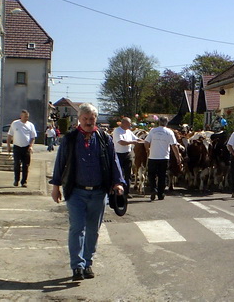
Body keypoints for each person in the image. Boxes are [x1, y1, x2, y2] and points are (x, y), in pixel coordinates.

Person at [50, 103, 125, 281]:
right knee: (77, 228)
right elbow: (60, 162)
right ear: (79, 119)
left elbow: (113, 160)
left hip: (99, 193)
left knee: (93, 230)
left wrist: (118, 182)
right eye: (85, 119)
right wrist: (55, 186)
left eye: (92, 119)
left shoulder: (104, 139)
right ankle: (77, 266)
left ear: (96, 119)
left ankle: (88, 263)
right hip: (76, 192)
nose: (89, 122)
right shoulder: (70, 139)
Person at [144, 116, 181, 201]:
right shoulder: (169, 132)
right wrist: (178, 157)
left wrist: (148, 150)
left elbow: (146, 142)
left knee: (151, 174)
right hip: (164, 157)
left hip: (153, 156)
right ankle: (161, 193)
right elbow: (174, 145)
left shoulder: (153, 131)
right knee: (162, 176)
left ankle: (153, 189)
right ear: (166, 123)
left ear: (159, 122)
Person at [112, 117, 144, 197]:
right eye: (128, 124)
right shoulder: (117, 131)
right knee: (119, 173)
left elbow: (136, 139)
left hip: (127, 154)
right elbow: (121, 142)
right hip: (118, 154)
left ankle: (126, 192)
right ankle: (117, 191)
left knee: (128, 174)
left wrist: (144, 141)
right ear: (123, 123)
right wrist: (133, 142)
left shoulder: (129, 131)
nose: (130, 125)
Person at [7, 110, 37, 187]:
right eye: (25, 116)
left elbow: (33, 137)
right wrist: (8, 145)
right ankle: (16, 180)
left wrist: (30, 146)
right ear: (21, 116)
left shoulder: (30, 125)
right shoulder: (15, 123)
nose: (26, 118)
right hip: (17, 147)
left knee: (25, 165)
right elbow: (10, 135)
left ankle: (24, 181)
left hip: (26, 147)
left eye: (27, 117)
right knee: (17, 164)